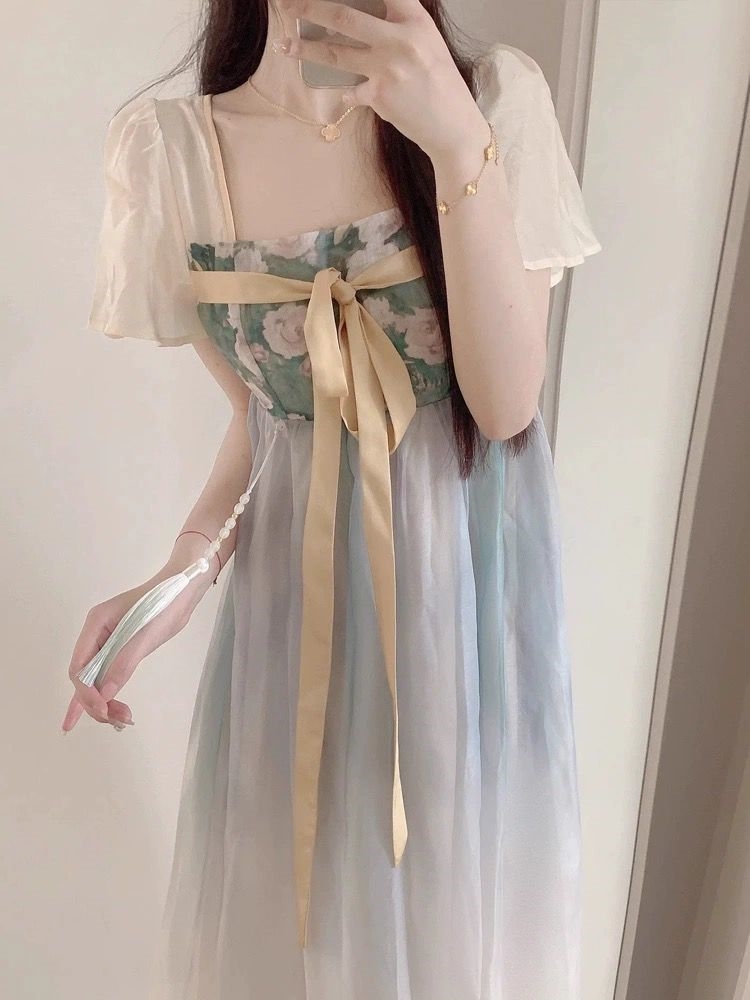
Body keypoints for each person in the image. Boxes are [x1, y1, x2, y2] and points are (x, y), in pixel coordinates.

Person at [63, 0, 602, 996]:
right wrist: (181, 572)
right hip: (296, 622)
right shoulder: (173, 152)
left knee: (453, 938)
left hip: (463, 619)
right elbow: (272, 419)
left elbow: (504, 403)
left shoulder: (492, 99)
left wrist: (455, 139)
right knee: (298, 938)